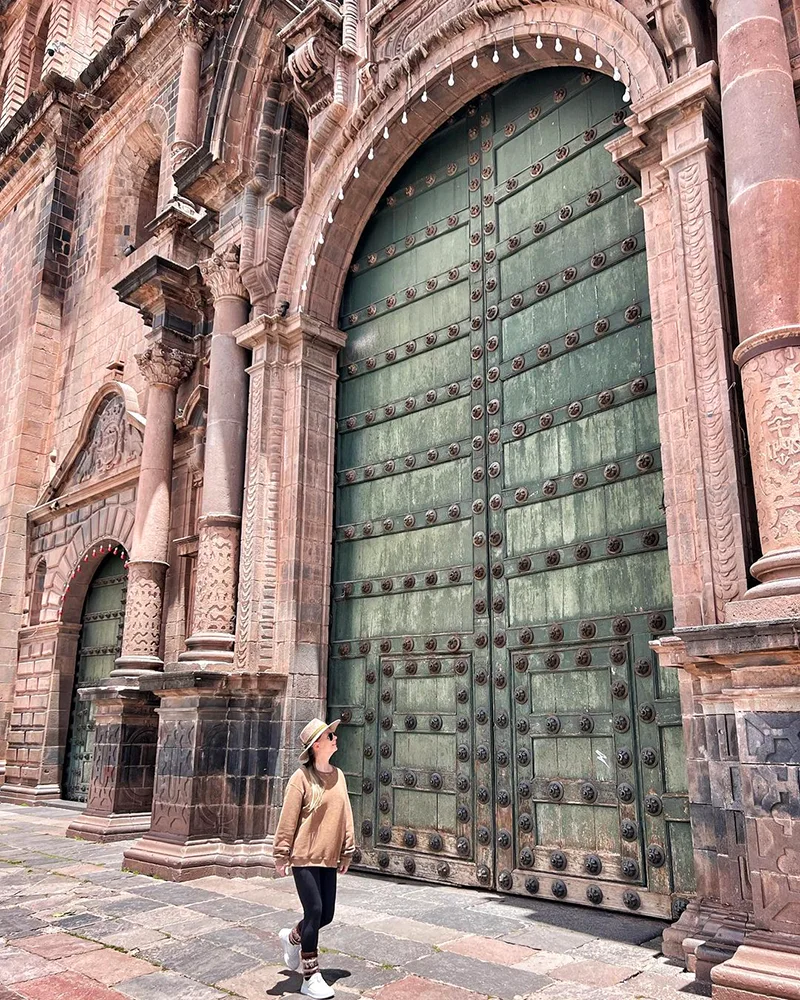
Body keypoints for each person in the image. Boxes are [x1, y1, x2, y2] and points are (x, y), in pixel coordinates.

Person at [274, 717, 355, 1000]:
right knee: (315, 910)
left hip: (328, 857)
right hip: (304, 856)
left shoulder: (339, 775)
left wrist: (347, 850)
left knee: (327, 914)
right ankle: (310, 976)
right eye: (330, 736)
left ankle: (292, 937)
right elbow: (288, 819)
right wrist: (281, 853)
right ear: (317, 745)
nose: (335, 739)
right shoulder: (301, 779)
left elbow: (345, 815)